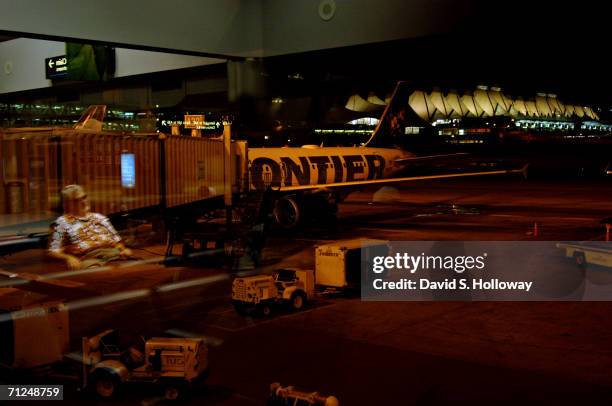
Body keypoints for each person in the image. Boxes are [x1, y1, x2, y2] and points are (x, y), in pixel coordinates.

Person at [48, 184, 132, 270]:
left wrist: (123, 249)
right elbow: (53, 251)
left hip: (114, 256)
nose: (83, 202)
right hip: (89, 260)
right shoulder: (61, 223)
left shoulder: (100, 217)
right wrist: (68, 258)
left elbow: (118, 242)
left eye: (84, 197)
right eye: (77, 200)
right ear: (68, 204)